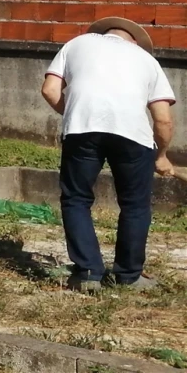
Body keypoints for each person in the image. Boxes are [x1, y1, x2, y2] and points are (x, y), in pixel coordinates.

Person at [41, 17, 176, 292]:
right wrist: (161, 155)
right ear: (135, 41)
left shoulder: (76, 43)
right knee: (135, 206)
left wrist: (75, 115)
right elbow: (163, 119)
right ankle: (128, 276)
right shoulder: (147, 61)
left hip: (82, 130)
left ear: (102, 33)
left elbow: (50, 90)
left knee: (76, 199)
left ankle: (88, 273)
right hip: (133, 136)